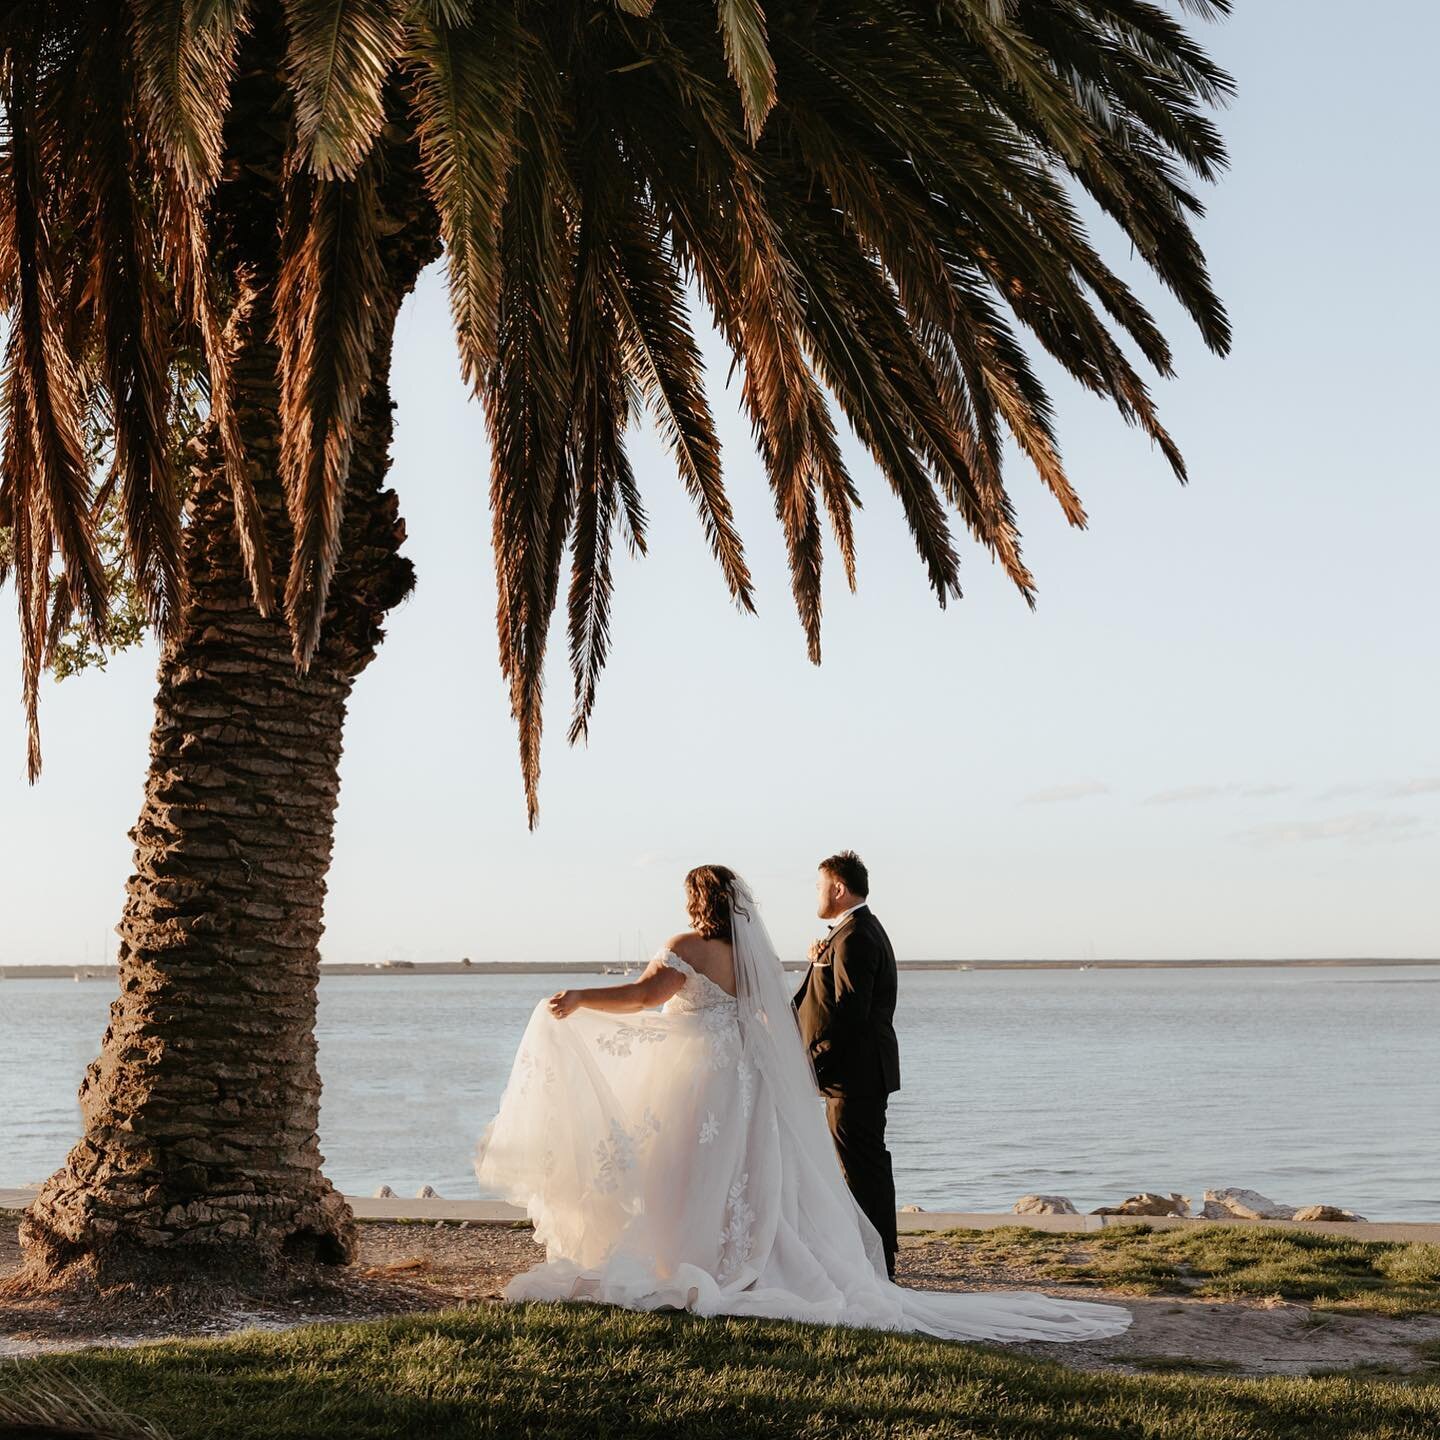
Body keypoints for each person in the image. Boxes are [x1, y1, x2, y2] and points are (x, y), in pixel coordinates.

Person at [475, 866, 1130, 1342]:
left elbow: (645, 1000)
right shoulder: (744, 956)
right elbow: (768, 1016)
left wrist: (580, 999)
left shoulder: (686, 949)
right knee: (739, 1173)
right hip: (739, 1080)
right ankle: (732, 1254)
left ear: (696, 901)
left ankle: (685, 1258)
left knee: (676, 1164)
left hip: (693, 1078)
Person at [792, 851, 900, 1277]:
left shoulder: (856, 936)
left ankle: (878, 1263)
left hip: (854, 1075)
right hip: (855, 1073)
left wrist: (811, 1063)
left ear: (838, 888)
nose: (816, 893)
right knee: (861, 1165)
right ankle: (874, 1255)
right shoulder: (850, 931)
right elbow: (826, 1002)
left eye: (819, 885)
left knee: (862, 1169)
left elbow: (851, 1015)